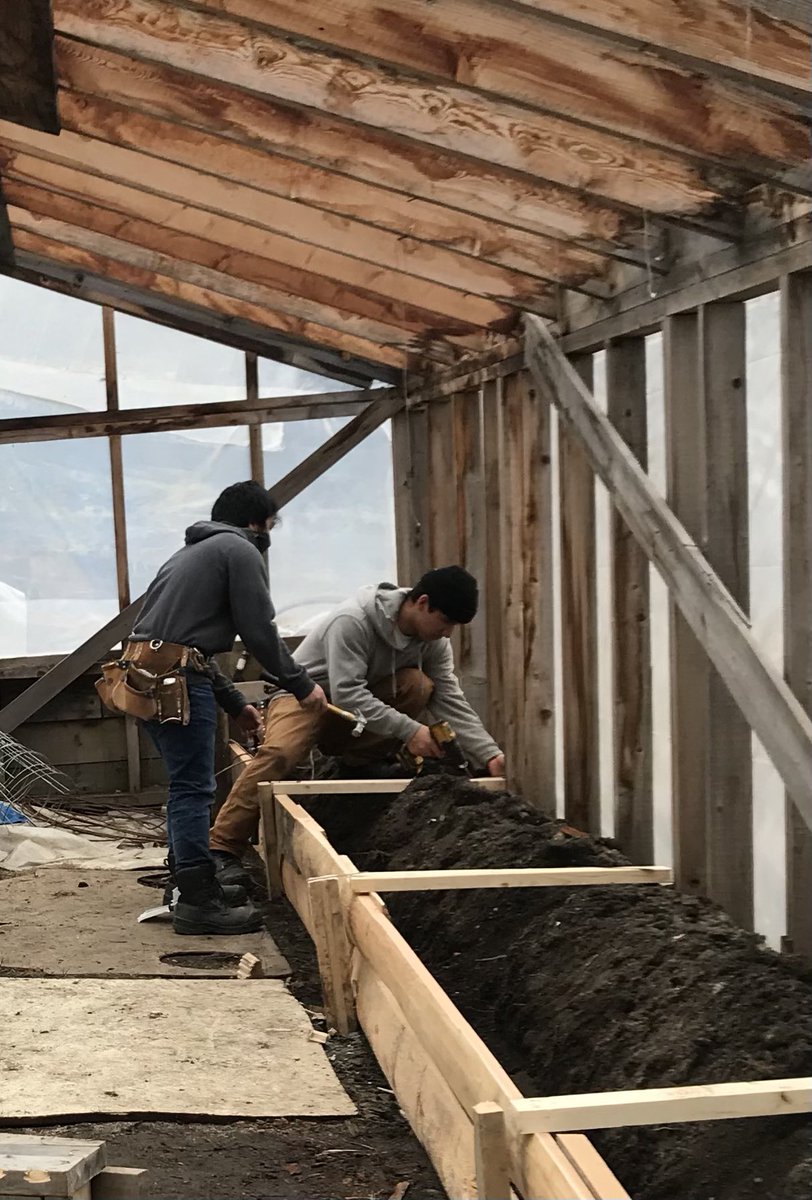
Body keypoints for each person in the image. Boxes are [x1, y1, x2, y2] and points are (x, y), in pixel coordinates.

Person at [210, 566, 505, 885]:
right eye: (446, 622)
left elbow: (449, 697)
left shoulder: (432, 643)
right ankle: (222, 847)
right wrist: (410, 731)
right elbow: (348, 693)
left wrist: (488, 754)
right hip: (305, 696)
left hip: (352, 715)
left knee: (419, 685)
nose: (448, 633)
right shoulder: (353, 621)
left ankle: (362, 763)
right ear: (422, 603)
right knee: (280, 754)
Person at [129, 481, 326, 935]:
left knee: (187, 787)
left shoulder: (187, 556)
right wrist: (301, 685)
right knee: (194, 789)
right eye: (269, 527)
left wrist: (236, 703)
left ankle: (188, 885)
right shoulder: (238, 551)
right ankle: (199, 902)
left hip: (148, 679)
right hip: (178, 684)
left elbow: (178, 641)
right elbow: (258, 629)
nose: (268, 538)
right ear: (255, 522)